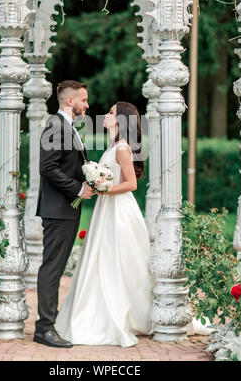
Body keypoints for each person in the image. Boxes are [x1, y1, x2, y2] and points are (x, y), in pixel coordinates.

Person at [55, 101, 154, 347]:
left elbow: (131, 184)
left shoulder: (122, 148)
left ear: (121, 119)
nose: (106, 115)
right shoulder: (114, 145)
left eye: (111, 113)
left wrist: (103, 189)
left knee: (116, 259)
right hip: (107, 208)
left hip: (119, 211)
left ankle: (123, 313)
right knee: (104, 258)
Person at [34, 80, 94, 348]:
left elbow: (67, 165)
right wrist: (78, 188)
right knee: (52, 268)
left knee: (55, 268)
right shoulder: (55, 125)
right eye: (83, 99)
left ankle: (50, 322)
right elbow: (47, 168)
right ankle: (44, 329)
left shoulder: (68, 126)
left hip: (65, 210)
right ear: (70, 101)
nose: (87, 105)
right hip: (58, 210)